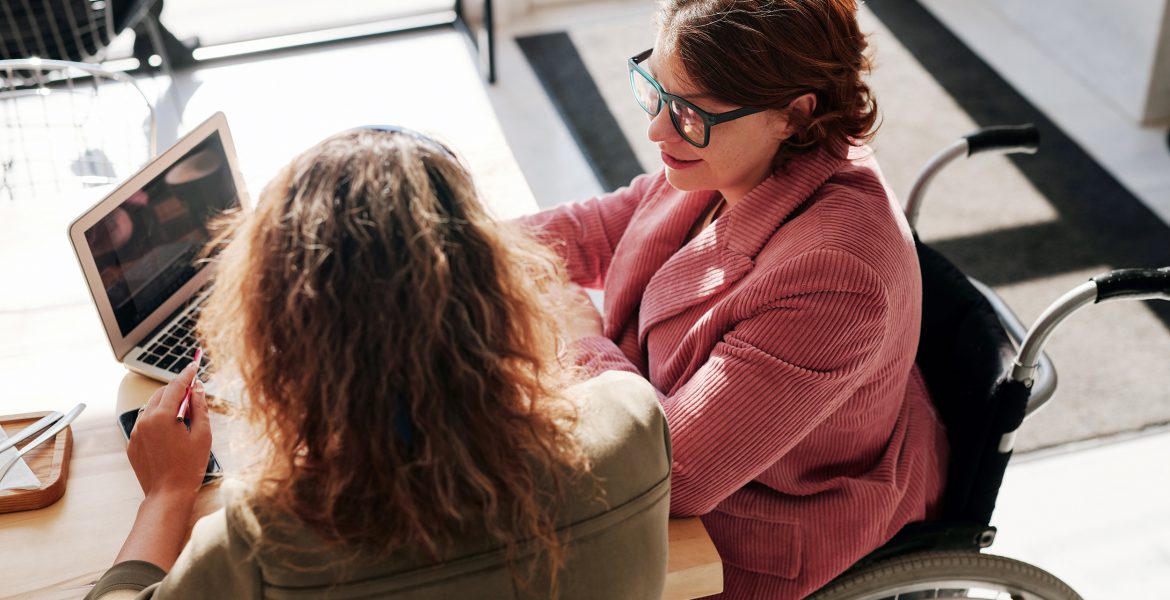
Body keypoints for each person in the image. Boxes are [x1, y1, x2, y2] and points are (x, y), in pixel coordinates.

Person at [85, 127, 672, 599]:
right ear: (501, 285)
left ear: (279, 338)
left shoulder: (262, 544)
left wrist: (165, 495)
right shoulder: (634, 423)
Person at [521, 0, 949, 597]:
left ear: (795, 114)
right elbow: (606, 224)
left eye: (692, 113)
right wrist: (458, 241)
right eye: (656, 91)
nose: (657, 130)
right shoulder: (733, 157)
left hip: (748, 534)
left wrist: (579, 333)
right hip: (681, 448)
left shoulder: (835, 275)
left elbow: (679, 472)